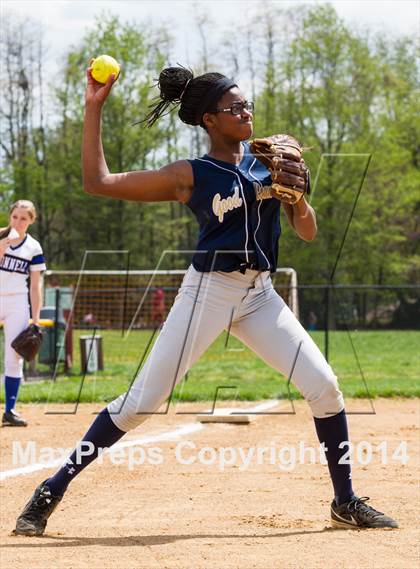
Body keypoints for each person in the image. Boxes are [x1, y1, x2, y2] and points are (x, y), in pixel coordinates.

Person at [14, 65, 397, 535]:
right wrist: (94, 109)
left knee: (325, 387)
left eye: (247, 104)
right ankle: (50, 491)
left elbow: (308, 232)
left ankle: (344, 500)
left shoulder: (267, 160)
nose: (246, 112)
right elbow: (99, 182)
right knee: (139, 405)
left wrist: (297, 198)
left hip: (260, 296)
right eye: (234, 108)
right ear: (210, 121)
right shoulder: (190, 175)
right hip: (207, 293)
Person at [0, 200, 46, 427]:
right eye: (15, 216)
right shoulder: (0, 236)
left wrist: (35, 319)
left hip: (17, 302)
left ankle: (10, 410)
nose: (18, 221)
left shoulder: (34, 247)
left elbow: (36, 286)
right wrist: (1, 248)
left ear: (31, 221)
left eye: (24, 218)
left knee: (14, 357)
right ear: (10, 216)